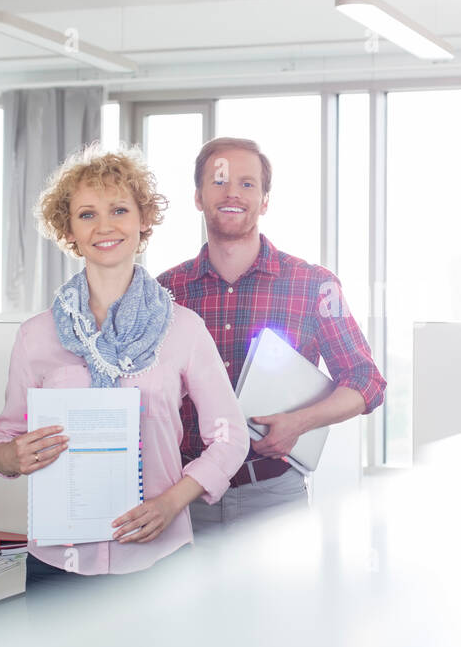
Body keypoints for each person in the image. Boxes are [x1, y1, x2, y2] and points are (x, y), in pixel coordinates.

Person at [0, 143, 249, 581]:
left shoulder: (183, 329)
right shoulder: (36, 335)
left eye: (120, 210)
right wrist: (13, 456)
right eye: (87, 214)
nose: (104, 226)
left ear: (143, 220)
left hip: (158, 557)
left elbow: (230, 437)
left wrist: (172, 503)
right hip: (59, 562)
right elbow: (3, 442)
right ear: (68, 229)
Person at [157, 136, 386, 528]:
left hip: (274, 498)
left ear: (265, 200)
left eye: (247, 183)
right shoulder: (164, 293)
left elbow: (367, 382)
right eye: (219, 181)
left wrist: (301, 422)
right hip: (183, 498)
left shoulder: (313, 284)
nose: (232, 193)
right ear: (198, 196)